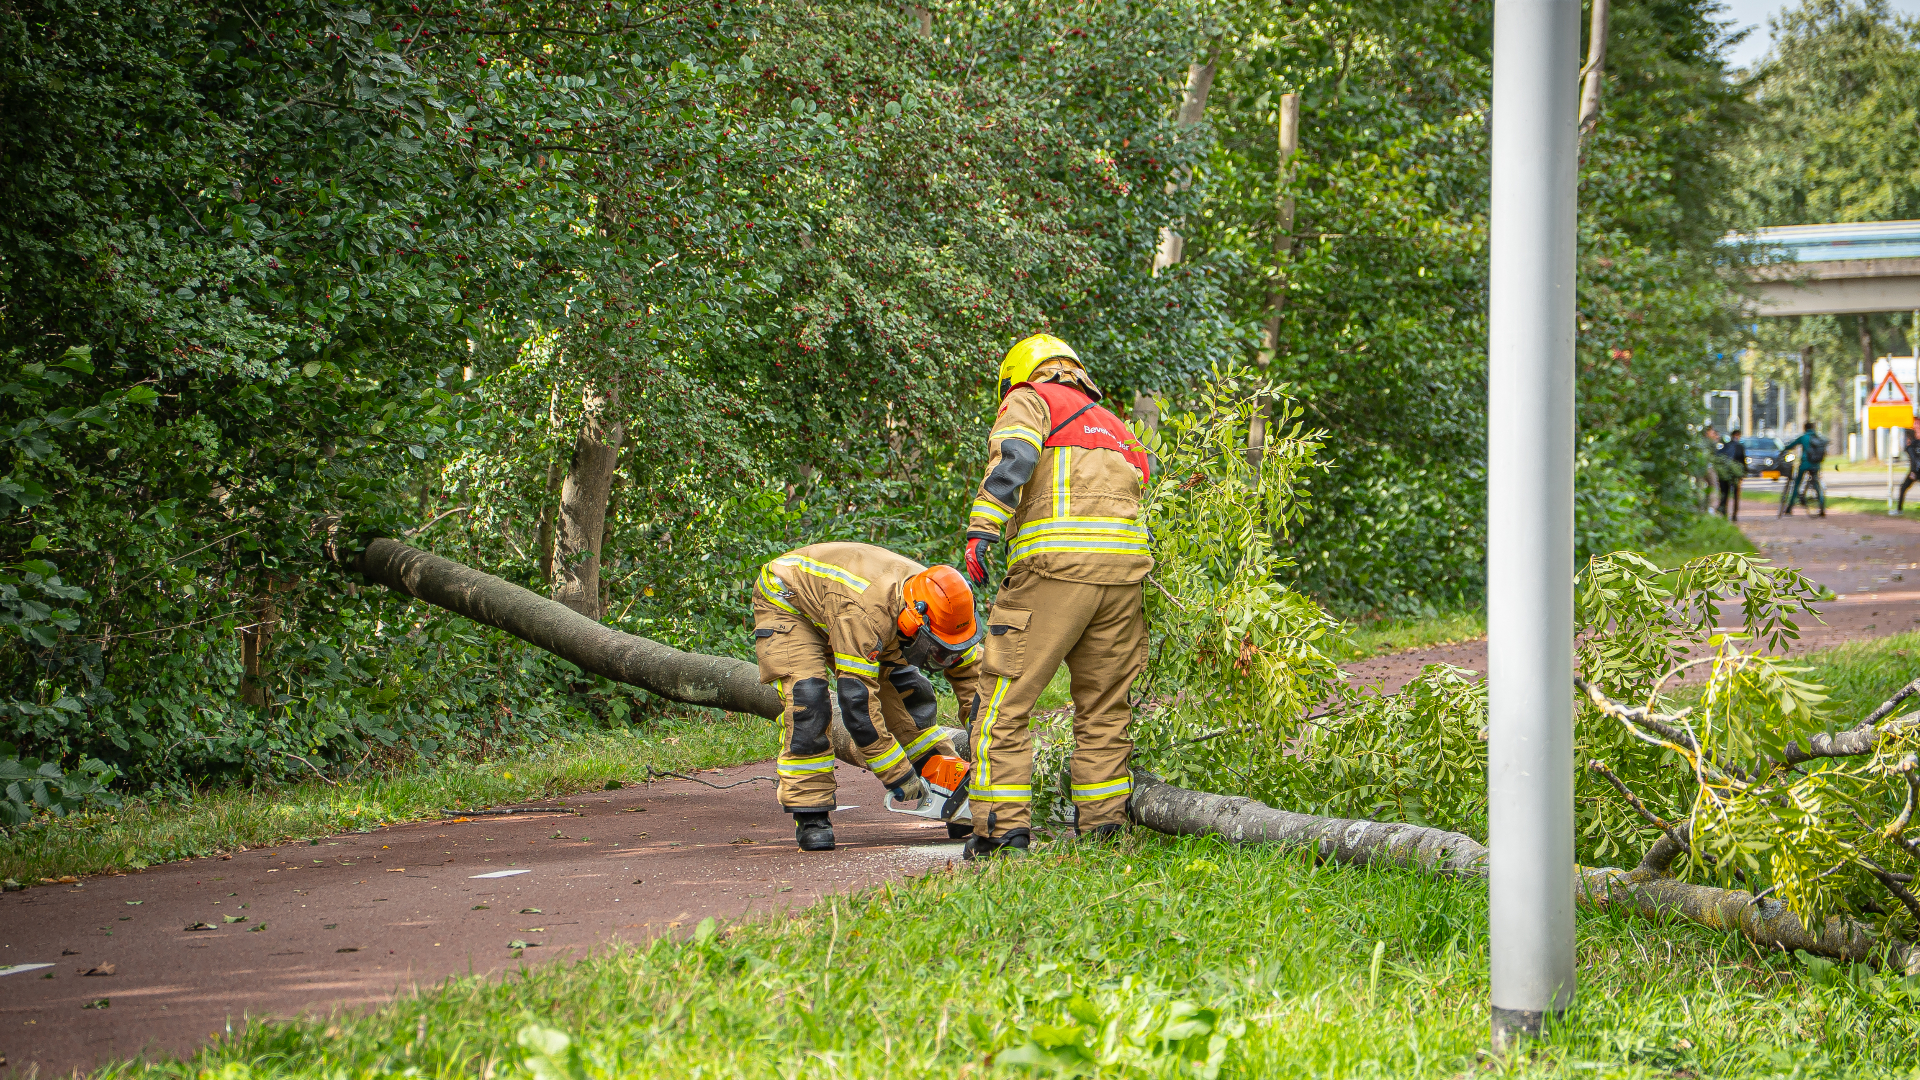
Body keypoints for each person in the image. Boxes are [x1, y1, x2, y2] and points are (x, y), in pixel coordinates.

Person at [959, 332, 1151, 859]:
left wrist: (984, 526)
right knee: (1106, 708)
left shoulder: (1031, 398)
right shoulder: (1117, 427)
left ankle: (1003, 832)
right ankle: (1103, 830)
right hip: (1122, 584)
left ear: (1021, 374)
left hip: (1053, 573)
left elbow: (1015, 456)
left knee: (1002, 706)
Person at [752, 543, 984, 851]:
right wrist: (898, 775)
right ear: (913, 623)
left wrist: (990, 751)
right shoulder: (866, 614)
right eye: (936, 648)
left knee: (911, 700)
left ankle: (953, 794)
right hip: (791, 604)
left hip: (861, 616)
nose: (941, 656)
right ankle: (811, 812)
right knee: (809, 703)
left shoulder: (946, 608)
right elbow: (857, 706)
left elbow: (978, 686)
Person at [1780, 422, 1828, 517]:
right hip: (1816, 464)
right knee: (1816, 485)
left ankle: (1789, 508)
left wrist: (1783, 449)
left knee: (1797, 484)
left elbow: (1791, 445)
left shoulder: (1803, 437)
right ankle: (1822, 508)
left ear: (1804, 428)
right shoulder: (1818, 437)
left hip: (1805, 464)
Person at [1715, 428, 1746, 520]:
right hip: (1735, 474)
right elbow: (1743, 460)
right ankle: (1734, 514)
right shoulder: (1739, 447)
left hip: (1725, 473)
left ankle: (1724, 512)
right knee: (1735, 494)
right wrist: (1743, 472)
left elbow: (1719, 457)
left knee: (1725, 493)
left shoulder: (1725, 446)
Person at [1900, 432, 1920, 512]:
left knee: (1903, 488)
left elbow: (1913, 459)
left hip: (1915, 471)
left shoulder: (1911, 447)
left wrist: (1913, 471)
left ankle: (1899, 509)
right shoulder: (1917, 444)